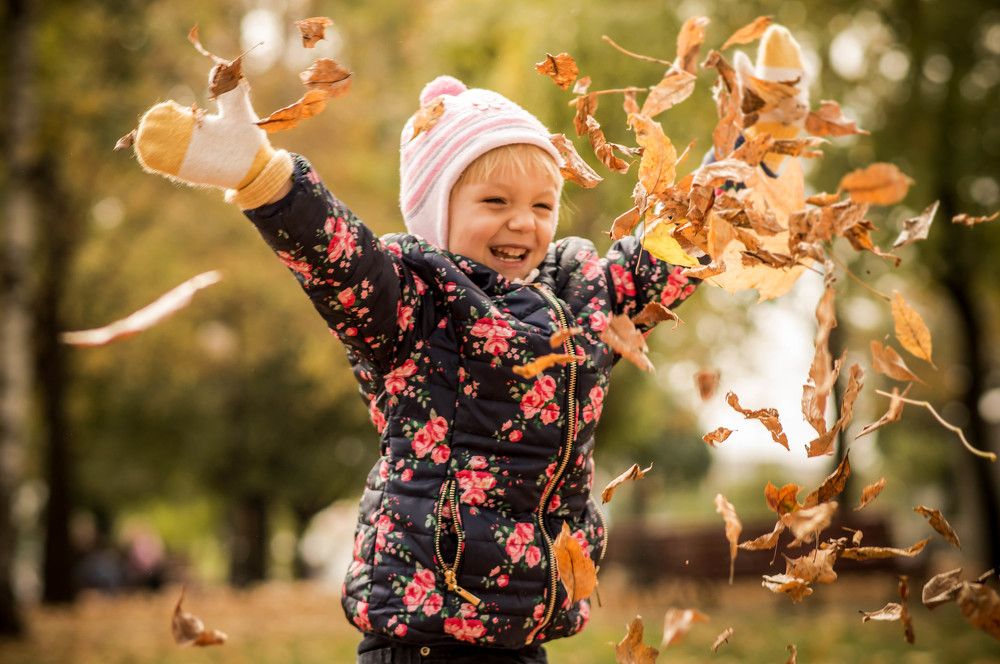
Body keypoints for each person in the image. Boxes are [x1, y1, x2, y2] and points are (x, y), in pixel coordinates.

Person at [130, 24, 807, 664]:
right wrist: (263, 177)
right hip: (423, 628)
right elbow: (340, 259)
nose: (524, 222)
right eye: (494, 202)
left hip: (524, 624)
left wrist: (750, 150)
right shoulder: (413, 302)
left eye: (543, 206)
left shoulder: (579, 296)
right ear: (439, 211)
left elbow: (673, 246)